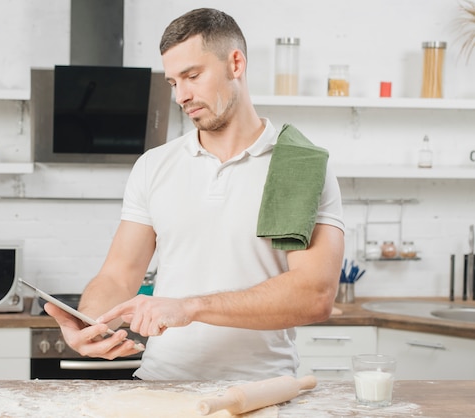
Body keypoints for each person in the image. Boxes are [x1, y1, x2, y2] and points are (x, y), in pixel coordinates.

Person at [45, 7, 345, 380]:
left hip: (262, 389)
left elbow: (315, 295)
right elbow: (119, 276)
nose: (181, 96)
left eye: (192, 76)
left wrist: (191, 307)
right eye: (173, 83)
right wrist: (89, 321)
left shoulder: (301, 166)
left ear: (235, 64)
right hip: (161, 384)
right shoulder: (154, 166)